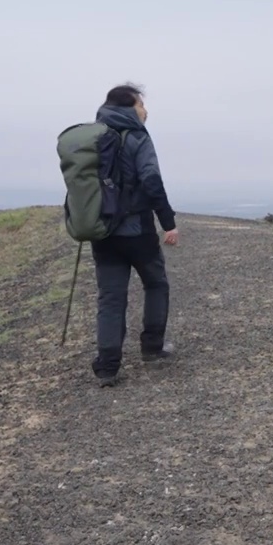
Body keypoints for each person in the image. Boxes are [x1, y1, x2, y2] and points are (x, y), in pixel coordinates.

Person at [89, 83, 179, 387]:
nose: (145, 110)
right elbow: (152, 181)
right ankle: (152, 348)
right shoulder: (138, 137)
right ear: (129, 107)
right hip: (137, 231)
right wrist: (168, 222)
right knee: (156, 283)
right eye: (141, 104)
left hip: (102, 232)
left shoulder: (93, 136)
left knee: (111, 297)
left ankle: (107, 367)